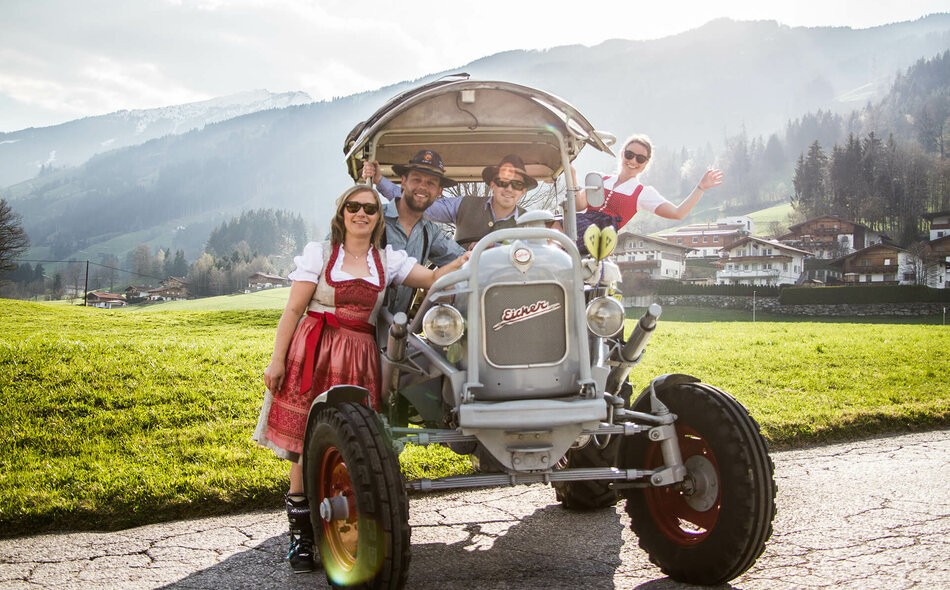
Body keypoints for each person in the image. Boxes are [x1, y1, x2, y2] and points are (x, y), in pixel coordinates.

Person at [252, 184, 467, 573]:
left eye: (369, 208)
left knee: (355, 440)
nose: (361, 214)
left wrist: (467, 258)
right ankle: (301, 536)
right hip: (314, 350)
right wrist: (276, 361)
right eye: (353, 207)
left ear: (378, 217)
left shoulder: (387, 259)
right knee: (304, 444)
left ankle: (348, 527)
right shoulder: (320, 254)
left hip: (358, 355)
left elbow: (433, 278)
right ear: (342, 213)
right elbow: (293, 310)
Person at [574, 133, 724, 252]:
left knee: (572, 227)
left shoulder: (642, 193)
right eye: (629, 155)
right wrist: (572, 174)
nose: (633, 161)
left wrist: (700, 188)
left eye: (640, 159)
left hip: (602, 236)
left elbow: (678, 213)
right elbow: (578, 205)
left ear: (646, 163)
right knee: (564, 222)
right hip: (582, 224)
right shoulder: (600, 179)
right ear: (622, 154)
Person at [362, 149, 466, 313]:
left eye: (431, 183)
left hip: (398, 326)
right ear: (404, 182)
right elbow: (332, 250)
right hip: (361, 322)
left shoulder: (430, 233)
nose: (423, 187)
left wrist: (485, 253)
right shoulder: (372, 218)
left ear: (439, 191)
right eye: (417, 179)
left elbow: (463, 260)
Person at [423, 154, 537, 249]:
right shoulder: (464, 204)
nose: (509, 189)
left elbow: (537, 256)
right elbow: (423, 208)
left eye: (517, 184)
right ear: (492, 185)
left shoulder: (531, 224)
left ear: (523, 191)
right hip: (461, 269)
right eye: (503, 182)